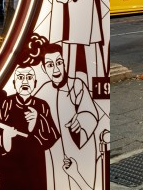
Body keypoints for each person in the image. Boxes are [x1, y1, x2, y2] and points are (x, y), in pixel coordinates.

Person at [37, 39, 106, 190]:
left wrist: (81, 120)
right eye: (50, 65)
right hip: (54, 152)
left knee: (81, 180)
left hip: (79, 146)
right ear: (43, 69)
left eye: (59, 62)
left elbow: (91, 112)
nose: (56, 69)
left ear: (64, 63)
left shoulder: (76, 84)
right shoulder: (42, 91)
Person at [0, 51, 59, 190]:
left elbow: (52, 137)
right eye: (20, 78)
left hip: (34, 165)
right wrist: (5, 136)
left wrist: (38, 121)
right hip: (10, 165)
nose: (25, 82)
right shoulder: (5, 103)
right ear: (14, 83)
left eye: (29, 77)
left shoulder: (41, 105)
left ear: (35, 82)